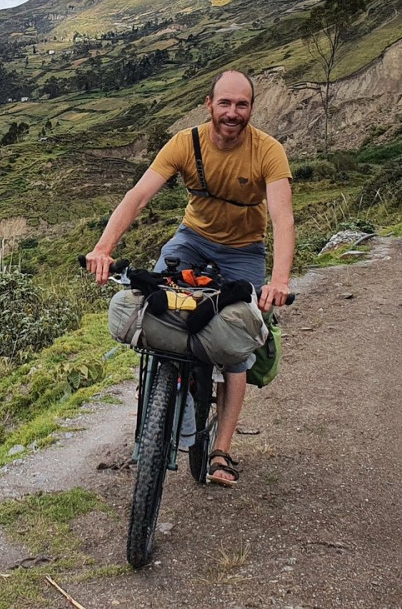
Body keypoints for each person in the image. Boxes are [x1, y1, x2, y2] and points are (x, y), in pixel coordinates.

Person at [85, 69, 294, 487]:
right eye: (225, 103)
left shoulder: (268, 151)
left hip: (243, 253)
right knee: (155, 307)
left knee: (236, 347)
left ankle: (221, 450)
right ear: (209, 104)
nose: (233, 113)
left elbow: (282, 217)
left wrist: (279, 280)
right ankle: (154, 415)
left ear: (251, 108)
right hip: (191, 241)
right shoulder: (186, 143)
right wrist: (104, 247)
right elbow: (138, 196)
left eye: (242, 105)